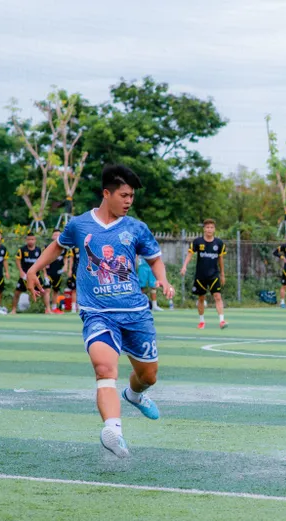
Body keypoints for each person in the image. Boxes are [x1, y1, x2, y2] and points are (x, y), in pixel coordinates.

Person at [26, 164, 175, 458]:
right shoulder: (80, 225)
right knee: (104, 368)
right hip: (97, 313)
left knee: (149, 375)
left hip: (135, 313)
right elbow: (57, 247)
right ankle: (113, 430)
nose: (129, 201)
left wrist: (163, 278)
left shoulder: (136, 228)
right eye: (124, 195)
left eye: (132, 196)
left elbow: (154, 258)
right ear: (107, 194)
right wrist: (33, 269)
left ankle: (134, 394)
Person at [181, 219, 226, 328]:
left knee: (217, 296)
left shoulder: (219, 243)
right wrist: (184, 266)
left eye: (211, 227)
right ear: (204, 229)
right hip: (200, 275)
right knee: (201, 298)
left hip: (214, 275)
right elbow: (190, 254)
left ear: (214, 229)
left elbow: (220, 259)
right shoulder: (197, 242)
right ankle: (201, 321)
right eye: (207, 227)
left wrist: (222, 274)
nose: (209, 229)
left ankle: (222, 320)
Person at [11, 233, 43, 314]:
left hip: (36, 275)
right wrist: (21, 271)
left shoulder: (38, 250)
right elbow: (17, 260)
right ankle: (13, 309)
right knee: (17, 292)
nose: (31, 241)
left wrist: (44, 273)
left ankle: (46, 309)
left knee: (44, 291)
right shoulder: (22, 250)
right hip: (25, 276)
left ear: (35, 240)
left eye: (32, 239)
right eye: (29, 239)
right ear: (26, 240)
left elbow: (42, 262)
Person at [44, 229, 67, 314]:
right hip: (48, 273)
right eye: (55, 235)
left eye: (58, 235)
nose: (57, 236)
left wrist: (65, 266)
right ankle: (47, 309)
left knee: (56, 290)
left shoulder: (63, 248)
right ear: (52, 236)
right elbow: (42, 260)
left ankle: (54, 308)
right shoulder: (47, 247)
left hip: (58, 273)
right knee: (47, 290)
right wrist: (45, 274)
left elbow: (65, 258)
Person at [65, 244, 81, 313]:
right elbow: (71, 259)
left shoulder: (86, 246)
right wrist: (70, 270)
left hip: (84, 271)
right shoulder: (73, 248)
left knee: (82, 290)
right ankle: (74, 307)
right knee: (74, 289)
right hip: (75, 270)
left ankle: (81, 306)